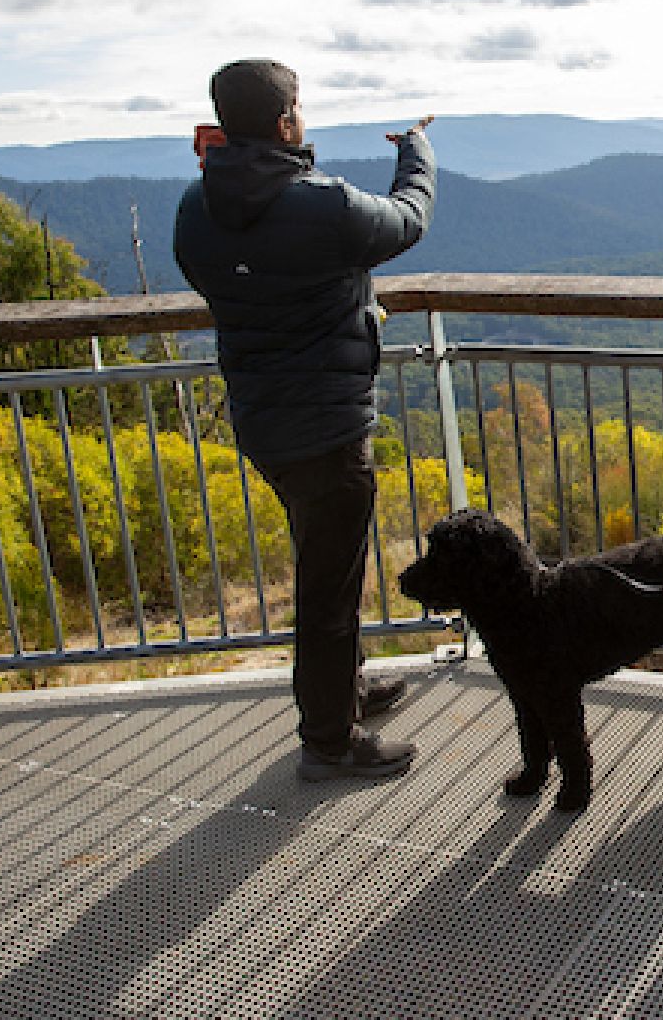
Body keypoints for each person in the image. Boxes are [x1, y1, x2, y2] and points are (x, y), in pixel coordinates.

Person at [173, 58, 436, 782]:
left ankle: (343, 692)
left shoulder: (197, 207)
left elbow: (208, 277)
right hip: (327, 429)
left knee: (327, 569)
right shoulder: (323, 206)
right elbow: (409, 219)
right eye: (300, 106)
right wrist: (417, 151)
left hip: (265, 423)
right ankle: (328, 740)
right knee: (327, 591)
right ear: (287, 118)